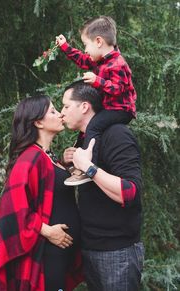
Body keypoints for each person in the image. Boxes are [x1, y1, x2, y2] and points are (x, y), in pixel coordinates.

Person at [61, 81, 144, 291]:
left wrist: (89, 167)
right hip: (91, 248)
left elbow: (130, 192)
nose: (62, 113)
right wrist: (69, 162)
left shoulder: (116, 134)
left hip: (118, 252)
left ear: (84, 106)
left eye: (65, 106)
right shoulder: (84, 139)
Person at [0, 95, 83, 291]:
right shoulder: (29, 158)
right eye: (53, 111)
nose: (60, 114)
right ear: (38, 122)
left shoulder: (47, 157)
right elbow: (12, 211)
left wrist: (66, 165)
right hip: (46, 255)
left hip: (59, 255)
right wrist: (47, 231)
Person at [56, 16, 137, 186]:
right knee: (86, 130)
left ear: (98, 41)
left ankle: (89, 165)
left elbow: (119, 89)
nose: (85, 50)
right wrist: (65, 47)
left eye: (86, 45)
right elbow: (82, 59)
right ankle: (75, 162)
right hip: (109, 108)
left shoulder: (118, 64)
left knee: (93, 126)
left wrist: (97, 81)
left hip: (121, 109)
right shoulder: (100, 61)